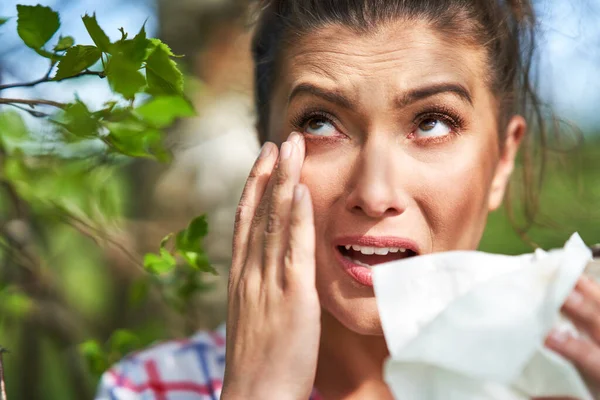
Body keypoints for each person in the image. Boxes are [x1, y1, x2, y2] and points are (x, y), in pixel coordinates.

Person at [96, 0, 600, 399]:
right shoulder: (150, 389)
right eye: (320, 123)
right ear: (263, 150)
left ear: (502, 162)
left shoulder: (571, 374)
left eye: (432, 123)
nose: (375, 194)